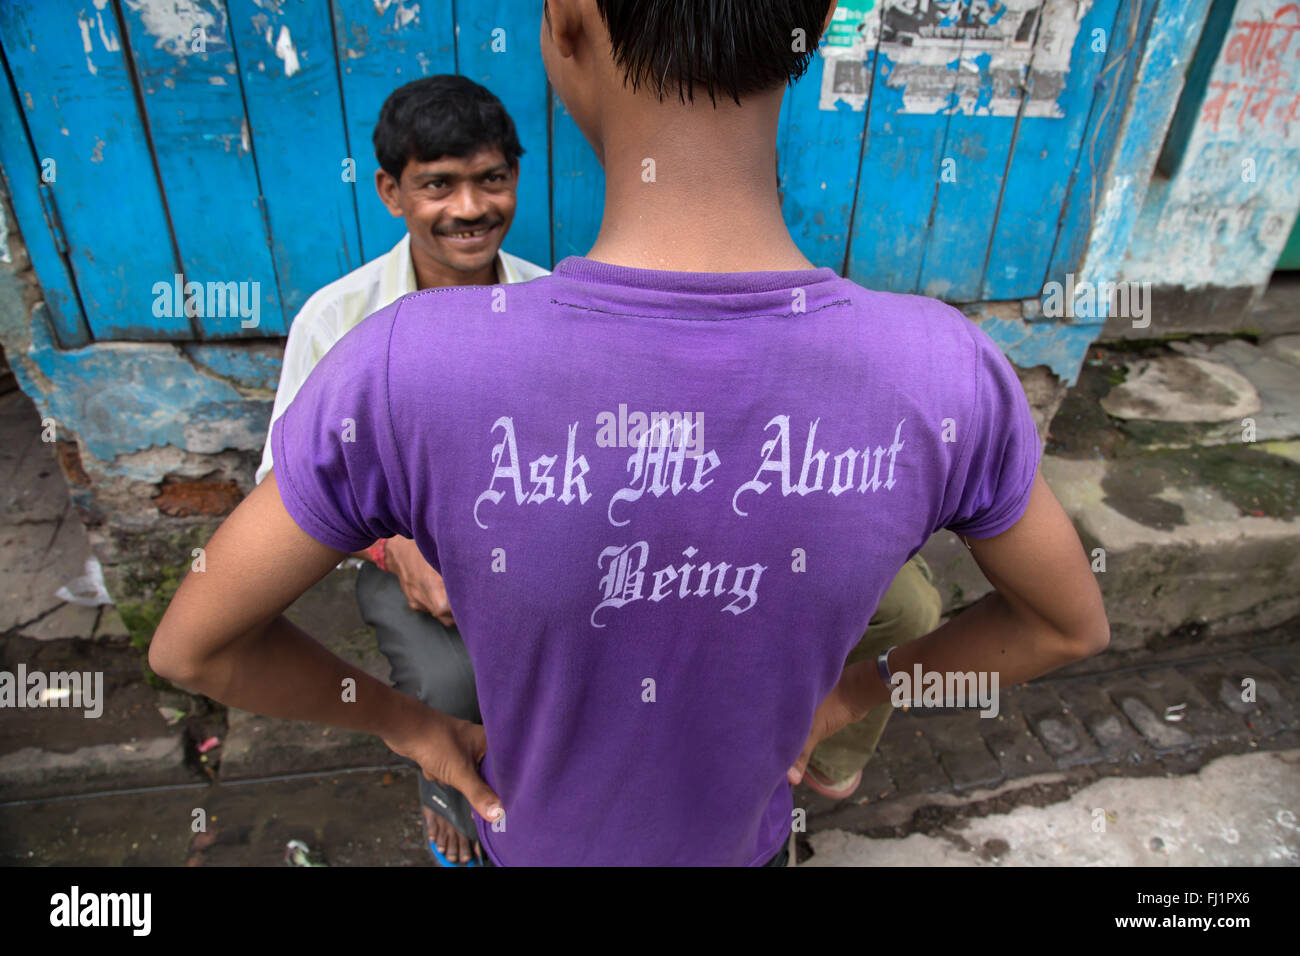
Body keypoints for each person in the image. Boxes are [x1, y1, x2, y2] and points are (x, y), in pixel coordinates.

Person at [150, 0, 1109, 867]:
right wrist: (856, 696)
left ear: (565, 24)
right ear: (812, 25)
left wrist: (406, 723)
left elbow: (196, 650)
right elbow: (1067, 623)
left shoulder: (403, 365)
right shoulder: (943, 368)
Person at [253, 74, 548, 865]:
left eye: (492, 179)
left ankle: (556, 805)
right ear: (390, 192)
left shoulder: (552, 305)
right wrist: (393, 550)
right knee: (452, 685)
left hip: (532, 546)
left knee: (578, 670)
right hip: (406, 550)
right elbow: (277, 483)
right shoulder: (338, 318)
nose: (470, 209)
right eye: (437, 185)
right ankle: (450, 797)